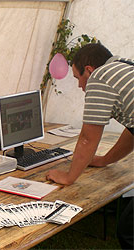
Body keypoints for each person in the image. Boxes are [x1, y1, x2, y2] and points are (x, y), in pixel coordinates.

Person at [46, 43, 133, 249]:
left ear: (89, 70)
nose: (80, 87)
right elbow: (132, 131)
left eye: (78, 78)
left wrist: (68, 177)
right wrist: (104, 160)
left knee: (129, 231)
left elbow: (87, 138)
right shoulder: (124, 68)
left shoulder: (100, 77)